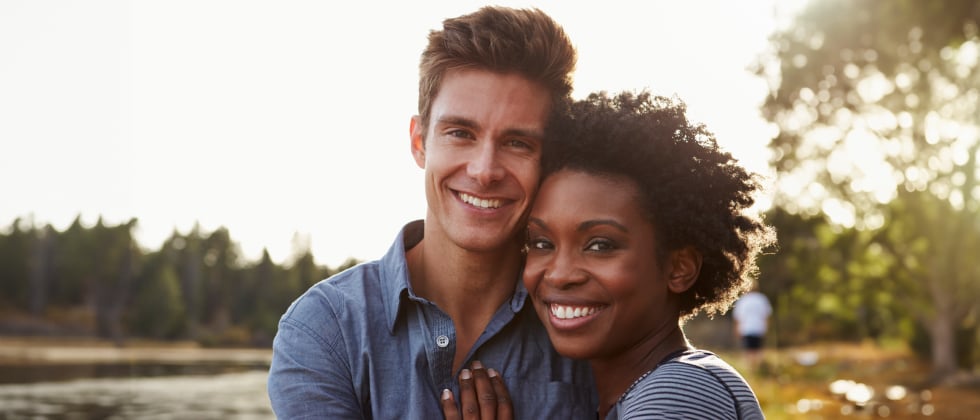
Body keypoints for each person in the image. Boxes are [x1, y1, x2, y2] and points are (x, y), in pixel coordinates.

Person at [266, 6, 596, 419]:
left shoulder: (586, 320)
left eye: (517, 143)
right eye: (461, 133)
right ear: (419, 141)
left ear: (549, 160)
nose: (485, 171)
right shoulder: (326, 329)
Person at [520, 91, 775, 419]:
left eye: (600, 245)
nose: (559, 274)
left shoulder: (677, 389)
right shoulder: (632, 394)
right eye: (542, 243)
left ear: (679, 268)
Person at [733, 282, 773, 371]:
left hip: (746, 329)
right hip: (759, 328)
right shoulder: (762, 299)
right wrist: (766, 328)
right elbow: (767, 315)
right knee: (758, 350)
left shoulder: (743, 300)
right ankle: (758, 369)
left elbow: (738, 318)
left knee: (748, 351)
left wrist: (737, 330)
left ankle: (751, 370)